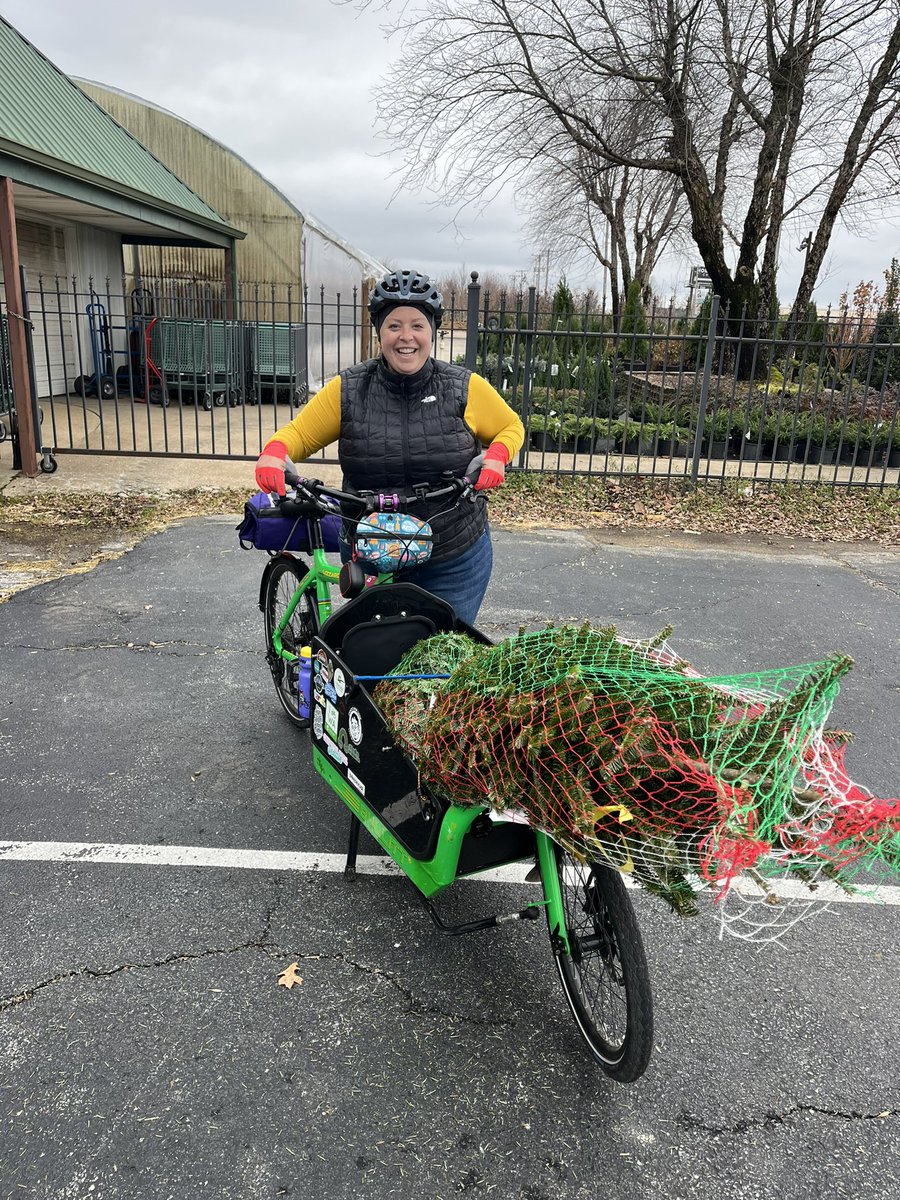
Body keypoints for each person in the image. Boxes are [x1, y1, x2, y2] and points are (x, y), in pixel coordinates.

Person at [254, 268, 524, 625]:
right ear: (379, 331)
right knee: (377, 659)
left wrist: (496, 456)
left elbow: (510, 426)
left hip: (453, 553)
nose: (406, 337)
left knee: (443, 660)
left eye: (417, 325)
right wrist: (274, 453)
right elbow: (298, 435)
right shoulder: (349, 389)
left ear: (432, 331)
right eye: (394, 325)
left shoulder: (463, 387)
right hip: (372, 554)